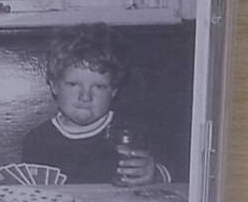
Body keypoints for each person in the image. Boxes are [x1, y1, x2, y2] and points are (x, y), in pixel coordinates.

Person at [20, 24, 164, 185]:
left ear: (113, 91)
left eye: (99, 86)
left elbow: (176, 177)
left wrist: (154, 175)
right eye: (73, 84)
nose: (85, 97)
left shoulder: (133, 132)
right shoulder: (38, 140)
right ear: (54, 86)